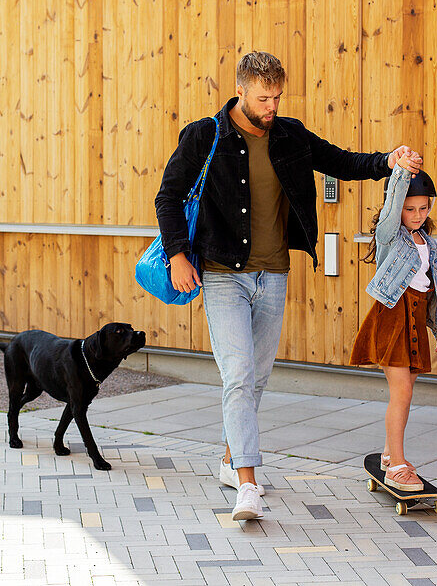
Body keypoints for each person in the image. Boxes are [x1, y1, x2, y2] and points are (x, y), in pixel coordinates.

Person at [155, 50, 420, 520]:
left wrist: (388, 160)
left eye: (277, 96)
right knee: (237, 376)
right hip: (222, 276)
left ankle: (229, 457)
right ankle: (247, 485)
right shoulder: (205, 135)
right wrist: (177, 254)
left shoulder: (290, 135)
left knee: (254, 379)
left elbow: (341, 161)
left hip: (273, 273)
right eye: (263, 98)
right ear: (240, 90)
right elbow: (168, 195)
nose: (272, 106)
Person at [349, 158, 437, 491]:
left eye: (423, 208)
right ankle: (398, 467)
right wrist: (401, 172)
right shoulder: (393, 237)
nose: (417, 215)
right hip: (393, 318)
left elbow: (431, 290)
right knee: (401, 392)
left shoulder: (428, 244)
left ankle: (390, 455)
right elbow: (392, 210)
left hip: (417, 320)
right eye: (410, 209)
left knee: (407, 394)